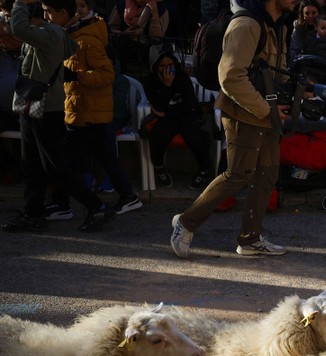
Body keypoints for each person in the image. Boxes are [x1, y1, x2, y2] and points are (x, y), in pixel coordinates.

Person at [170, 0, 293, 259]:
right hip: (243, 114)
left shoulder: (278, 26)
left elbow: (273, 73)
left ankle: (250, 239)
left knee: (267, 174)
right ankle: (186, 222)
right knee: (238, 174)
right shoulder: (247, 25)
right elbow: (230, 77)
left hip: (266, 113)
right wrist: (268, 109)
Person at [4, 0, 113, 234]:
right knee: (31, 163)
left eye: (49, 12)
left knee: (55, 166)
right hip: (30, 99)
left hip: (45, 107)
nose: (45, 16)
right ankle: (32, 213)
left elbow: (19, 28)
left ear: (63, 13)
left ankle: (96, 206)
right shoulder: (49, 32)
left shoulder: (53, 33)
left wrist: (20, 3)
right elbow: (15, 30)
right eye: (43, 12)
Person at [52, 0, 141, 223]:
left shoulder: (87, 40)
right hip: (84, 109)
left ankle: (86, 205)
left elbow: (106, 75)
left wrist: (76, 76)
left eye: (82, 6)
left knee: (64, 161)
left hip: (88, 111)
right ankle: (126, 196)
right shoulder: (74, 36)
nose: (79, 10)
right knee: (104, 156)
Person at [143, 48, 212, 189]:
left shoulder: (182, 77)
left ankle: (204, 169)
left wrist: (165, 112)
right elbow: (159, 105)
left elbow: (189, 105)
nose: (167, 69)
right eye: (162, 66)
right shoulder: (150, 81)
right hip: (169, 118)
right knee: (159, 135)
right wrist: (166, 86)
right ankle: (159, 167)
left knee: (193, 136)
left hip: (186, 115)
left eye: (170, 65)